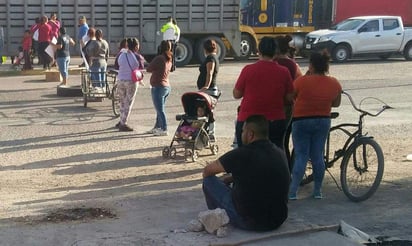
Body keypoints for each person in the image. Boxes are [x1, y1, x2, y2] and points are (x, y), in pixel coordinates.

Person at [202, 114, 290, 231]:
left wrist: (224, 180)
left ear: (250, 134)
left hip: (250, 222)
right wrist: (231, 178)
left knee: (209, 181)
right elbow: (261, 174)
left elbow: (207, 171)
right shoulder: (279, 152)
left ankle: (217, 216)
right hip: (277, 220)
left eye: (243, 131)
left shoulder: (241, 154)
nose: (241, 133)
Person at [288, 51, 342, 200]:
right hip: (323, 120)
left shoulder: (301, 81)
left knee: (301, 156)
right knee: (318, 156)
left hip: (301, 121)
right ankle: (317, 191)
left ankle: (292, 192)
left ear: (311, 65)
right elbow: (336, 103)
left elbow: (290, 96)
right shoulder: (334, 83)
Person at [233, 36, 294, 149]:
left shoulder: (248, 70)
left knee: (246, 155)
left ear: (258, 51)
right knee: (273, 155)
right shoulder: (284, 72)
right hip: (274, 120)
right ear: (275, 53)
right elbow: (290, 97)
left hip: (248, 121)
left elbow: (237, 94)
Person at [274, 35, 303, 169]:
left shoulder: (273, 63)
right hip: (289, 108)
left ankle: (280, 169)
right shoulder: (293, 65)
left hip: (275, 107)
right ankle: (287, 170)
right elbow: (299, 84)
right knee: (283, 141)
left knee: (275, 141)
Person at [115, 37, 145, 132]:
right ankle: (123, 124)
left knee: (122, 101)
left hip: (120, 80)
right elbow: (141, 67)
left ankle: (121, 120)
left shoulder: (121, 54)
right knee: (128, 102)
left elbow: (116, 65)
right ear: (136, 47)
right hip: (131, 81)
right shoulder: (137, 56)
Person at [146, 40, 173, 136]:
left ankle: (164, 128)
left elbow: (148, 69)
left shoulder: (159, 58)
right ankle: (157, 127)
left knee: (160, 110)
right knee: (159, 108)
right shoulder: (169, 58)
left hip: (158, 86)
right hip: (166, 86)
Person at [197, 39, 220, 140]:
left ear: (205, 49)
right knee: (207, 111)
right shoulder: (214, 57)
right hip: (209, 89)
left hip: (209, 90)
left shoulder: (211, 58)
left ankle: (210, 133)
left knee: (207, 111)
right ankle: (207, 132)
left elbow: (209, 72)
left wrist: (206, 85)